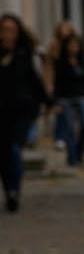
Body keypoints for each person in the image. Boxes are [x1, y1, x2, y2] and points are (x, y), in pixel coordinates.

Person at [0, 13, 50, 211]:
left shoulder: (24, 54)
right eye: (4, 30)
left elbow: (34, 80)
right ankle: (9, 189)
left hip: (21, 111)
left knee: (14, 149)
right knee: (3, 153)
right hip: (1, 112)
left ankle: (14, 190)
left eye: (11, 30)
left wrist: (47, 100)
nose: (7, 34)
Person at [46, 27, 84, 166]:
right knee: (70, 128)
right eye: (71, 45)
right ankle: (72, 157)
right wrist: (55, 100)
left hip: (81, 96)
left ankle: (80, 153)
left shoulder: (81, 61)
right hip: (65, 98)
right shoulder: (60, 62)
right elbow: (57, 81)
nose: (74, 47)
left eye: (76, 45)